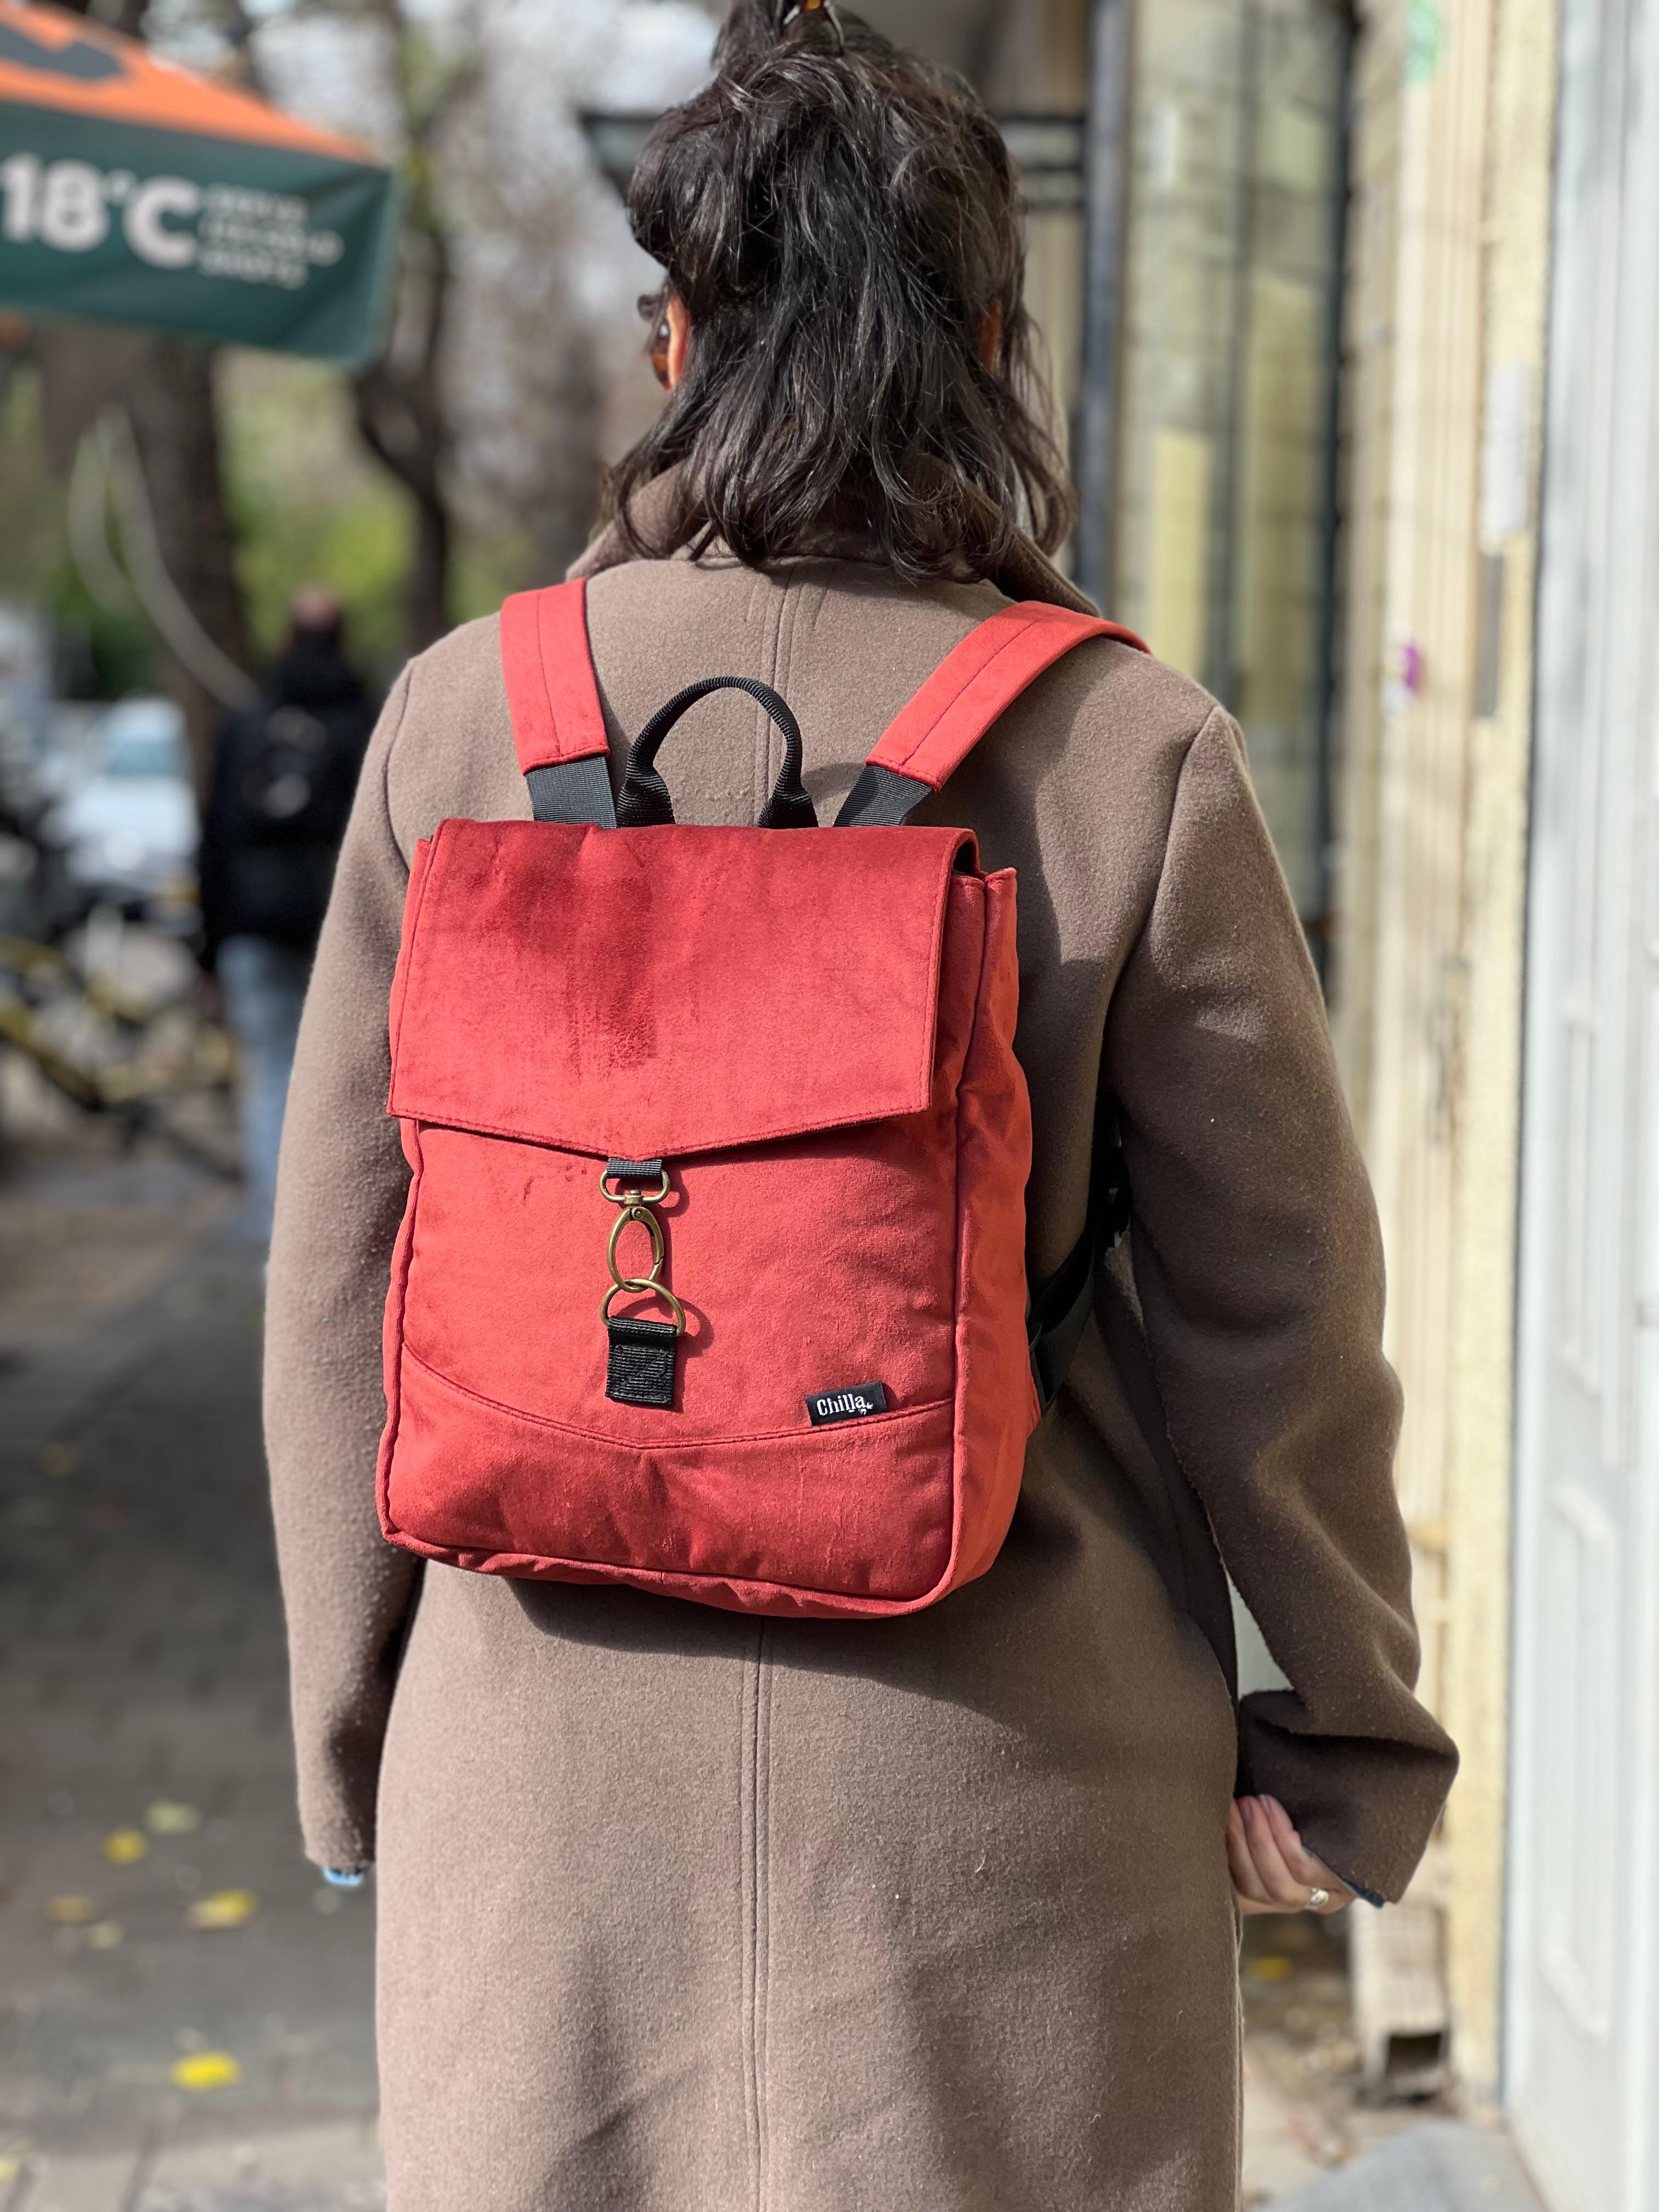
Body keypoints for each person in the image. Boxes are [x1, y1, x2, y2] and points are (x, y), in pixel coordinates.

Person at [265, 6, 1456, 2206]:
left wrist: (358, 1736)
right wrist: (1351, 1741)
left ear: (674, 347)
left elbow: (345, 1275)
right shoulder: (1122, 750)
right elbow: (1278, 1313)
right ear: (995, 345)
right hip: (1008, 1805)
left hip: (539, 1788)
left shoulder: (454, 730)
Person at [199, 589, 374, 1240]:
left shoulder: (246, 724)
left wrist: (209, 947)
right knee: (348, 1082)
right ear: (344, 642)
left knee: (272, 1077)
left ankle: (283, 1239)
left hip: (255, 928)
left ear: (284, 641)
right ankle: (340, 1232)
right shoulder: (369, 723)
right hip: (343, 929)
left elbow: (213, 839)